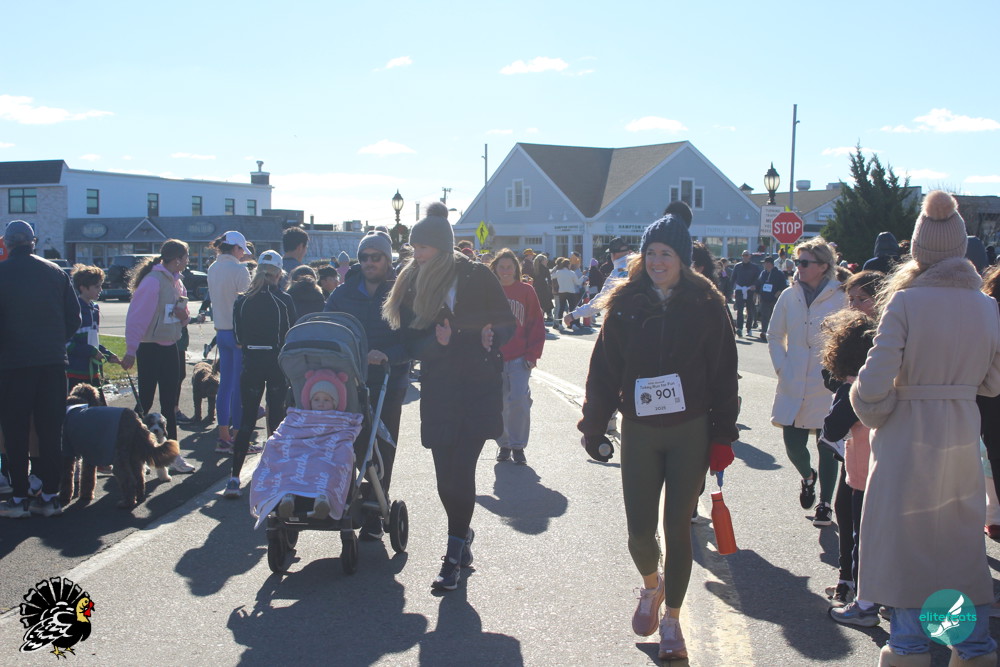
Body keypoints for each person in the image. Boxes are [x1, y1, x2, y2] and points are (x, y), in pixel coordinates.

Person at [578, 213, 738, 661]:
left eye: (666, 253)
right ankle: (651, 586)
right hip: (641, 431)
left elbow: (725, 373)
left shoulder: (706, 303)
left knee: (677, 528)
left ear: (682, 258)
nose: (657, 261)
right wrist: (593, 425)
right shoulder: (625, 303)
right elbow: (603, 371)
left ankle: (672, 619)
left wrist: (723, 435)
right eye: (650, 253)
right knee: (639, 532)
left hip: (690, 431)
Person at [850, 192, 1000, 665]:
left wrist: (876, 409)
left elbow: (873, 385)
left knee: (907, 550)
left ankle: (910, 649)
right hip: (960, 434)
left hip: (907, 438)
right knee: (955, 549)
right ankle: (971, 648)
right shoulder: (986, 306)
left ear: (918, 249)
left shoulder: (906, 302)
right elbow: (993, 382)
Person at [382, 202, 514, 592]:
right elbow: (408, 340)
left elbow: (506, 321)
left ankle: (453, 554)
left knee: (462, 472)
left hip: (477, 385)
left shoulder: (475, 274)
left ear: (440, 247)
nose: (415, 254)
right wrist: (435, 344)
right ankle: (463, 532)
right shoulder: (411, 280)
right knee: (444, 479)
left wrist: (492, 336)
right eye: (413, 247)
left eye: (421, 247)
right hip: (440, 389)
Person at [324, 230, 411, 540]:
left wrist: (388, 355)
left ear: (387, 259)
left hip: (389, 379)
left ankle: (376, 508)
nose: (369, 262)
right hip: (348, 381)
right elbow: (327, 328)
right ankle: (346, 499)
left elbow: (413, 340)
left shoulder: (402, 293)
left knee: (383, 446)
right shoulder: (342, 293)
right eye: (364, 257)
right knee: (349, 444)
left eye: (376, 257)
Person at [0, 221, 81, 519]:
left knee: (15, 431)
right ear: (33, 242)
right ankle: (50, 496)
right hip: (52, 361)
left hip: (13, 363)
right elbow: (74, 318)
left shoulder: (2, 273)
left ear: (7, 243)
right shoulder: (56, 272)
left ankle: (19, 497)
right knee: (50, 430)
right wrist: (55, 341)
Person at [767, 237, 845, 527]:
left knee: (828, 445)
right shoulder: (789, 295)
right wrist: (782, 366)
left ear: (823, 266)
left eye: (804, 262)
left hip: (827, 382)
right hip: (793, 377)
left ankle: (825, 504)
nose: (797, 267)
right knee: (793, 443)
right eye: (797, 261)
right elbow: (775, 335)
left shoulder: (841, 296)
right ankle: (808, 476)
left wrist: (840, 371)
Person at [223, 251, 297, 499]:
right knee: (276, 421)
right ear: (278, 274)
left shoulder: (242, 301)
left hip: (252, 362)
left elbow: (238, 338)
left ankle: (234, 478)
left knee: (246, 421)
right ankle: (274, 477)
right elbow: (292, 334)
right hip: (276, 363)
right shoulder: (283, 300)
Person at [121, 240, 191, 444]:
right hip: (149, 348)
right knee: (145, 399)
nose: (188, 261)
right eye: (186, 257)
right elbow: (137, 317)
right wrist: (131, 350)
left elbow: (184, 317)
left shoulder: (178, 283)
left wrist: (184, 316)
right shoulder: (152, 281)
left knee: (170, 403)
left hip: (171, 347)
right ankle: (129, 442)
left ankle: (172, 451)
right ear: (177, 259)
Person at [490, 249, 545, 464]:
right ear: (495, 268)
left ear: (516, 269)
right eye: (501, 267)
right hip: (494, 358)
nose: (505, 271)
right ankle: (504, 444)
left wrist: (533, 354)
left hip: (520, 356)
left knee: (520, 400)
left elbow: (536, 323)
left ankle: (518, 445)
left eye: (509, 267)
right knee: (500, 402)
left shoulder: (526, 291)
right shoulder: (489, 291)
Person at [206, 231, 251, 451]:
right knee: (239, 387)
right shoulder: (240, 270)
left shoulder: (213, 268)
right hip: (238, 333)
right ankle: (238, 438)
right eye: (242, 249)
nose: (243, 254)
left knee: (224, 386)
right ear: (235, 248)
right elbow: (247, 305)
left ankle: (223, 436)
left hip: (221, 331)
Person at [67, 265, 120, 393]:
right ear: (83, 288)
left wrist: (107, 354)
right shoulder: (73, 309)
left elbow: (93, 341)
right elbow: (67, 343)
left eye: (100, 285)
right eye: (96, 286)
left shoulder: (94, 308)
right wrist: (90, 351)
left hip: (93, 371)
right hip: (75, 371)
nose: (101, 289)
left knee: (97, 403)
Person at [565, 236, 633, 327]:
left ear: (613, 254)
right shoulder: (640, 267)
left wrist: (574, 315)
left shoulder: (617, 274)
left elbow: (600, 301)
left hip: (625, 322)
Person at [756, 257, 788, 342]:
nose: (764, 265)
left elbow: (783, 286)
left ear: (769, 264)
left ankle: (773, 334)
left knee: (773, 317)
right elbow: (759, 284)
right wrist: (757, 293)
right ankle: (764, 332)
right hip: (764, 299)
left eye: (765, 263)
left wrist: (777, 294)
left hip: (774, 299)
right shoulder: (763, 273)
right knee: (764, 317)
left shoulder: (779, 273)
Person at [730, 250, 759, 337]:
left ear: (749, 256)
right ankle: (739, 328)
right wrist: (731, 291)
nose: (745, 257)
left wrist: (754, 286)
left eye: (746, 255)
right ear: (742, 256)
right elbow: (733, 279)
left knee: (749, 310)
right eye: (743, 255)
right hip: (740, 290)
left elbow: (758, 278)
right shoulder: (737, 266)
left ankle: (749, 328)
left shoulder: (754, 267)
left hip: (750, 290)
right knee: (740, 309)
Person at [551, 257, 582, 331]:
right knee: (572, 308)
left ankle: (560, 324)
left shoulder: (558, 272)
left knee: (561, 308)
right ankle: (573, 324)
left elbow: (552, 276)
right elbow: (578, 282)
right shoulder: (571, 273)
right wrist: (583, 278)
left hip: (561, 292)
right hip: (571, 292)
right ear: (568, 265)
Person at [531, 253, 554, 324]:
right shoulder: (545, 269)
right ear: (542, 261)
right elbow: (549, 280)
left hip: (536, 288)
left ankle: (540, 317)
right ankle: (549, 316)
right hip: (544, 288)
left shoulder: (534, 269)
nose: (547, 261)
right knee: (547, 303)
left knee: (539, 303)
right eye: (545, 260)